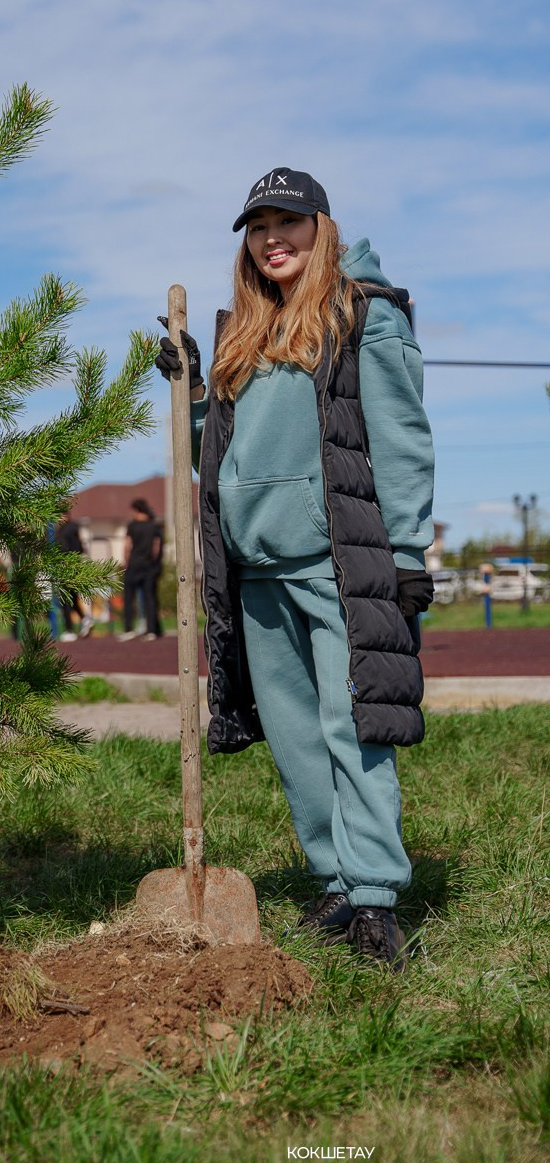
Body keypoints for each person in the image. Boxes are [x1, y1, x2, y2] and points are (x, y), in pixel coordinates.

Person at [156, 167, 434, 969]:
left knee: (354, 729)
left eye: (289, 223)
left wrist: (408, 553)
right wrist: (197, 395)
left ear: (322, 229)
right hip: (259, 575)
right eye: (258, 227)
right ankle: (338, 881)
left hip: (337, 564)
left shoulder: (362, 315)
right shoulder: (249, 330)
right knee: (295, 738)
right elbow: (228, 451)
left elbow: (401, 441)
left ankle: (378, 897)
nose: (273, 239)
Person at [119, 497, 164, 640]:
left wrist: (126, 561)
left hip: (134, 564)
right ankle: (151, 631)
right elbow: (156, 547)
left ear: (135, 510)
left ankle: (128, 629)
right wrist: (154, 561)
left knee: (128, 597)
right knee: (150, 598)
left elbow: (127, 545)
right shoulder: (153, 526)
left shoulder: (132, 526)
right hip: (148, 566)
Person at [55, 508, 94, 641]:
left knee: (66, 598)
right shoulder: (64, 529)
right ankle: (85, 619)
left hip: (68, 566)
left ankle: (69, 629)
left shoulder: (68, 529)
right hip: (69, 566)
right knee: (71, 597)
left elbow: (75, 548)